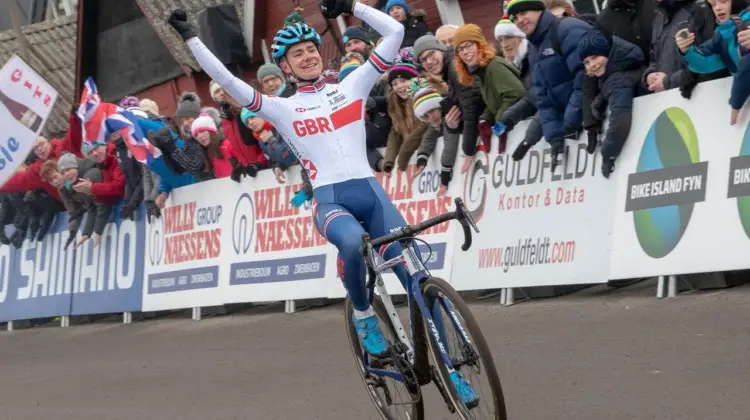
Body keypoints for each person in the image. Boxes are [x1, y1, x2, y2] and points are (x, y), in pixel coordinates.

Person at [167, 0, 478, 405]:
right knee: (351, 244)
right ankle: (365, 314)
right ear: (287, 68)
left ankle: (452, 369)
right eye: (297, 54)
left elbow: (396, 34)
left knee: (419, 281)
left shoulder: (351, 85)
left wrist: (352, 6)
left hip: (373, 195)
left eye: (311, 49)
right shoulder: (281, 107)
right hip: (332, 203)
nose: (308, 56)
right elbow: (223, 76)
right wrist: (191, 37)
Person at [507, 0, 591, 171]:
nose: (519, 20)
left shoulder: (567, 29)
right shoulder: (534, 46)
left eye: (524, 13)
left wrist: (570, 121)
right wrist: (554, 138)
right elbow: (543, 96)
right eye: (514, 18)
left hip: (593, 118)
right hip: (574, 126)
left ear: (538, 9)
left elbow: (586, 77)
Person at [579, 30, 645, 177]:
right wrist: (602, 97)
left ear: (608, 53)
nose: (592, 65)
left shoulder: (617, 79)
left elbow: (619, 120)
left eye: (595, 57)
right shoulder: (618, 72)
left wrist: (607, 154)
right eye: (586, 62)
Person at [453, 24, 525, 154]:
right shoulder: (480, 72)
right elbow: (494, 99)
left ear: (480, 45)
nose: (465, 52)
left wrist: (499, 121)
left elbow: (515, 94)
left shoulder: (494, 65)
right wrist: (485, 119)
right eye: (460, 49)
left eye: (469, 45)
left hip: (521, 122)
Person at [413, 34, 486, 162]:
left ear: (441, 50)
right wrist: (453, 126)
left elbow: (472, 106)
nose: (429, 62)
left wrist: (468, 150)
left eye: (431, 54)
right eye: (423, 60)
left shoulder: (454, 67)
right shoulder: (448, 72)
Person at [677, 0, 750, 125]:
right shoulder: (721, 37)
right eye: (713, 4)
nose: (718, 8)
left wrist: (736, 102)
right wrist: (686, 49)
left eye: (723, 1)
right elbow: (705, 62)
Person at [643, 0, 725, 98]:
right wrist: (650, 76)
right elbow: (654, 57)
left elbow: (712, 61)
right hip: (667, 101)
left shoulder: (703, 10)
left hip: (703, 97)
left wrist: (668, 81)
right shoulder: (659, 19)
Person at [494, 15, 544, 161]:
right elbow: (531, 100)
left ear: (521, 37)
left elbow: (548, 103)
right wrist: (507, 119)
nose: (504, 44)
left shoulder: (534, 59)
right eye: (500, 40)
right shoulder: (522, 63)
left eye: (508, 37)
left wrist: (528, 140)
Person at [410, 78, 460, 194]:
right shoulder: (435, 123)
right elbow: (428, 138)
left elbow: (450, 145)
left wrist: (444, 179)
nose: (431, 117)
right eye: (426, 116)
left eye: (432, 110)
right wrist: (421, 161)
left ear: (439, 106)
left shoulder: (449, 116)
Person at [384, 58, 426, 172]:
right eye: (395, 84)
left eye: (403, 80)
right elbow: (395, 133)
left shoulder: (424, 96)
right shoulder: (396, 105)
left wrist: (403, 156)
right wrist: (388, 162)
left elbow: (424, 126)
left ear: (415, 80)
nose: (399, 86)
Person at [190, 113, 242, 179]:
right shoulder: (206, 153)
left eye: (202, 131)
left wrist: (239, 171)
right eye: (196, 135)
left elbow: (243, 161)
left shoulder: (226, 145)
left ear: (212, 131)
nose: (199, 136)